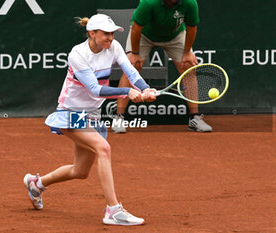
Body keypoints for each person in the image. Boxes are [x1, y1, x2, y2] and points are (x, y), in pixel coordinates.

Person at [23, 14, 156, 226]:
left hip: (92, 115)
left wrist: (144, 88)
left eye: (112, 34)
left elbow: (130, 71)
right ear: (92, 33)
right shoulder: (78, 54)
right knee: (104, 148)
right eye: (106, 34)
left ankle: (36, 184)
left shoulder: (114, 48)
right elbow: (94, 89)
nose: (110, 38)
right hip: (70, 113)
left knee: (80, 171)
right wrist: (127, 92)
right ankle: (113, 210)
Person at [112, 0, 212, 133]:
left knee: (188, 66)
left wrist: (187, 52)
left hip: (175, 36)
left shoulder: (190, 2)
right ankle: (119, 117)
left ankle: (195, 118)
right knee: (132, 67)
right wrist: (135, 54)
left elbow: (191, 27)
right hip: (144, 36)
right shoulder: (149, 2)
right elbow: (136, 28)